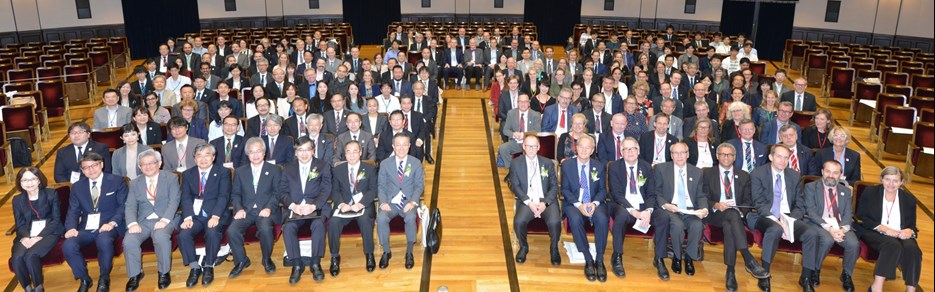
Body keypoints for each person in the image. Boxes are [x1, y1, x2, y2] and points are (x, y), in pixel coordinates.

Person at [747, 144, 822, 292]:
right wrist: (776, 220)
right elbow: (758, 202)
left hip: (788, 216)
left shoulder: (794, 175)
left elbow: (800, 204)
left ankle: (806, 277)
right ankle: (765, 273)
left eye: (786, 157)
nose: (782, 161)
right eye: (779, 156)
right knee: (774, 229)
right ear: (771, 157)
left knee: (811, 233)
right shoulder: (758, 173)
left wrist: (790, 220)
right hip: (764, 215)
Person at [703, 143, 770, 291]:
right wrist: (715, 204)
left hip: (735, 215)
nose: (726, 157)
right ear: (717, 156)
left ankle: (731, 272)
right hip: (716, 215)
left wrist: (739, 210)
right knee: (731, 216)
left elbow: (747, 201)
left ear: (734, 157)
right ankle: (748, 258)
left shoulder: (744, 175)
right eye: (723, 154)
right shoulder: (707, 173)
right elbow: (702, 197)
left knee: (730, 223)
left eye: (730, 155)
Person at [608, 137, 669, 279]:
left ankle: (659, 259)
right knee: (622, 216)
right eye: (626, 149)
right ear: (621, 152)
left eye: (633, 148)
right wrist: (634, 211)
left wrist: (648, 211)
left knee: (663, 217)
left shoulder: (647, 167)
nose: (630, 152)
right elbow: (616, 194)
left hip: (643, 206)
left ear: (638, 151)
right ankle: (617, 256)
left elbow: (651, 193)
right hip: (623, 206)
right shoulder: (614, 167)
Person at [856, 167, 922, 292]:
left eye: (895, 181)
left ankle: (911, 289)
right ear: (881, 179)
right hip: (875, 231)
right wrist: (884, 228)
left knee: (913, 250)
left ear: (901, 182)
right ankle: (877, 287)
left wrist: (909, 231)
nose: (891, 184)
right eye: (887, 180)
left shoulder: (909, 199)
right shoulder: (870, 192)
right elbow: (861, 216)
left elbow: (912, 225)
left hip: (900, 232)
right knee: (892, 245)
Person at [123, 150, 181, 291]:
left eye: (151, 163)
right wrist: (132, 223)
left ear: (159, 163)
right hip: (142, 221)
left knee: (160, 237)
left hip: (165, 218)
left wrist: (165, 220)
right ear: (140, 167)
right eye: (143, 164)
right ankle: (135, 274)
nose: (147, 167)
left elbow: (174, 201)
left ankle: (163, 272)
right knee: (129, 240)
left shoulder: (171, 178)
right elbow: (130, 205)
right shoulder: (135, 183)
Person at [177, 144, 231, 287]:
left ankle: (208, 265)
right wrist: (187, 217)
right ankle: (195, 267)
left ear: (213, 157)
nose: (203, 159)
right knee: (183, 234)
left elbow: (223, 196)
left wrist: (216, 216)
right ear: (194, 159)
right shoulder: (188, 174)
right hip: (195, 215)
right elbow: (186, 197)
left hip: (215, 213)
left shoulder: (223, 172)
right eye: (199, 155)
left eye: (207, 155)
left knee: (212, 232)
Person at [279, 136, 331, 283]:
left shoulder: (322, 166)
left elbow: (326, 190)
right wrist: (293, 206)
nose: (304, 153)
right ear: (295, 152)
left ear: (313, 150)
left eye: (307, 149)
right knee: (288, 227)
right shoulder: (288, 168)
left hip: (316, 207)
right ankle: (296, 265)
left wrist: (314, 206)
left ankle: (315, 263)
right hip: (295, 209)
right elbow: (282, 192)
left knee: (318, 225)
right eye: (300, 150)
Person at [227, 137, 281, 277]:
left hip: (266, 210)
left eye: (258, 151)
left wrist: (269, 207)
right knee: (232, 230)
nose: (255, 155)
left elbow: (277, 193)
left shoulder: (274, 169)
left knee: (265, 229)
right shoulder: (240, 171)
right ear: (247, 154)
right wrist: (238, 208)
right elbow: (236, 194)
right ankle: (241, 260)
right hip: (246, 210)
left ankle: (266, 259)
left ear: (264, 152)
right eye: (252, 152)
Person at [803, 160, 858, 291]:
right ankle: (815, 269)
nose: (831, 175)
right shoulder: (811, 187)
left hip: (840, 226)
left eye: (835, 172)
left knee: (853, 244)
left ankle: (847, 275)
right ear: (822, 172)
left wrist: (843, 230)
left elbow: (848, 214)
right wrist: (830, 229)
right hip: (819, 224)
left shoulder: (845, 191)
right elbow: (811, 212)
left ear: (840, 175)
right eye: (828, 171)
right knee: (827, 239)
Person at [655, 142, 708, 278]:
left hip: (689, 209)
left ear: (688, 154)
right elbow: (657, 192)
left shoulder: (697, 172)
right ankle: (677, 257)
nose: (679, 156)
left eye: (682, 152)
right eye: (676, 153)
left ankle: (689, 258)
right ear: (671, 155)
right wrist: (666, 205)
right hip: (670, 208)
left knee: (697, 225)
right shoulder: (661, 169)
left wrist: (704, 208)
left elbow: (701, 195)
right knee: (677, 225)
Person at [561, 135, 609, 282]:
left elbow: (603, 190)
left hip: (594, 202)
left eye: (587, 147)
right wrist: (579, 205)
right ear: (576, 147)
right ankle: (588, 258)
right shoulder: (567, 165)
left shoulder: (599, 166)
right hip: (574, 203)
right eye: (581, 146)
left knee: (602, 218)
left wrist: (594, 203)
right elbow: (565, 190)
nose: (583, 150)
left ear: (592, 150)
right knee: (575, 219)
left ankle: (599, 259)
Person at [509, 135, 562, 265]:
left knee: (555, 221)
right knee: (519, 221)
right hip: (527, 201)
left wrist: (545, 203)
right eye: (528, 146)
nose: (531, 149)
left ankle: (554, 248)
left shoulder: (547, 163)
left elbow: (554, 186)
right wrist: (528, 202)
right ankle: (524, 246)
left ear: (538, 147)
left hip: (546, 201)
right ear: (523, 147)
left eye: (534, 146)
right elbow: (514, 185)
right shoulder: (516, 163)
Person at [328, 141, 378, 276]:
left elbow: (373, 190)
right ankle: (334, 257)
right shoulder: (338, 170)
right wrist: (341, 204)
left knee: (365, 220)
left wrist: (361, 204)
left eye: (355, 151)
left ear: (360, 153)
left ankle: (369, 254)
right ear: (344, 154)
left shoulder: (369, 168)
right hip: (344, 205)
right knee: (333, 222)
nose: (351, 155)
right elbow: (334, 191)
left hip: (363, 205)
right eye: (348, 152)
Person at [11, 168, 64, 292]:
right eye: (25, 180)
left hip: (49, 231)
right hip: (26, 233)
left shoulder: (51, 194)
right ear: (20, 182)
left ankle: (39, 287)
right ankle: (27, 288)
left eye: (32, 179)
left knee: (30, 255)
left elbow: (56, 220)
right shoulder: (17, 200)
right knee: (17, 258)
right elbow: (20, 223)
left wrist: (38, 237)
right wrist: (25, 237)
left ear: (39, 180)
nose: (29, 183)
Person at [377, 133, 424, 270]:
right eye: (398, 145)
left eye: (404, 145)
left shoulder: (415, 163)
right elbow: (381, 186)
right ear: (393, 146)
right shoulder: (385, 163)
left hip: (408, 201)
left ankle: (409, 251)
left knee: (410, 217)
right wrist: (383, 202)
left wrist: (413, 202)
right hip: (390, 202)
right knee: (381, 218)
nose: (401, 148)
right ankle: (386, 251)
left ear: (409, 146)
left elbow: (419, 185)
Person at [498, 94, 541, 166]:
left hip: (530, 143)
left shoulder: (535, 115)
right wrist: (513, 134)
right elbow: (505, 130)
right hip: (516, 143)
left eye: (525, 102)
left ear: (529, 103)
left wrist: (523, 134)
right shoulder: (511, 113)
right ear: (517, 103)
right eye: (521, 102)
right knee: (502, 148)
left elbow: (537, 130)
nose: (523, 104)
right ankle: (511, 169)